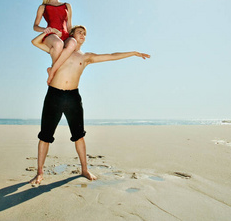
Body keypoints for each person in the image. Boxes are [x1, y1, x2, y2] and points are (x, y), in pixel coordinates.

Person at [30, 25, 150, 186]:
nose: (83, 35)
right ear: (71, 35)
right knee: (45, 136)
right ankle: (39, 172)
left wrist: (133, 53)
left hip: (73, 97)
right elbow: (35, 42)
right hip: (54, 95)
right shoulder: (57, 50)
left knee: (79, 135)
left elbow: (111, 56)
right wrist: (48, 32)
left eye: (85, 34)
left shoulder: (86, 57)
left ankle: (84, 169)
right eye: (80, 32)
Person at [33, 0, 77, 85]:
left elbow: (69, 25)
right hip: (51, 35)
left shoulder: (67, 6)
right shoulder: (43, 7)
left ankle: (52, 71)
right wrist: (44, 30)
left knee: (73, 42)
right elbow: (35, 26)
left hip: (66, 35)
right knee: (58, 44)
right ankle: (56, 75)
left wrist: (75, 36)